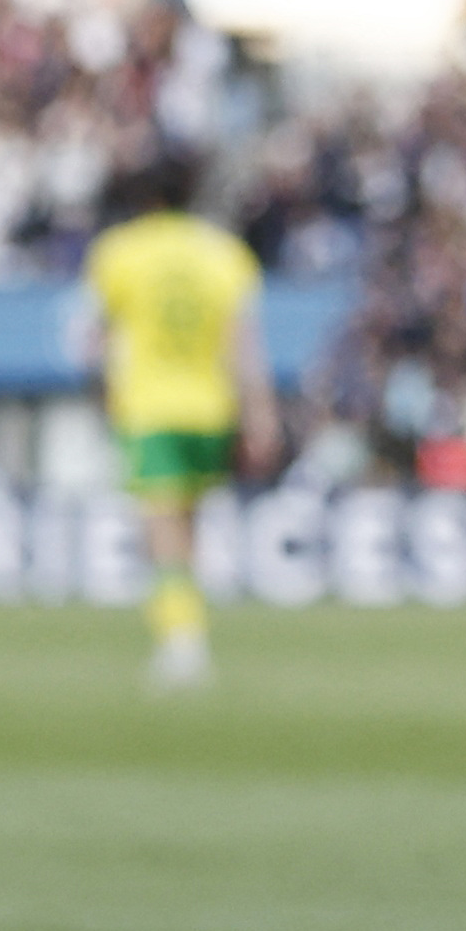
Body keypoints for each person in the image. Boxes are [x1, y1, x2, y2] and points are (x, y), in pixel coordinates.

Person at [74, 154, 274, 688]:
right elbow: (244, 345)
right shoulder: (224, 253)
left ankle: (181, 638)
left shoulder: (118, 252)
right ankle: (187, 628)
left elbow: (90, 338)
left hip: (150, 406)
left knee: (160, 523)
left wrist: (101, 392)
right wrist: (260, 416)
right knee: (190, 524)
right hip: (211, 406)